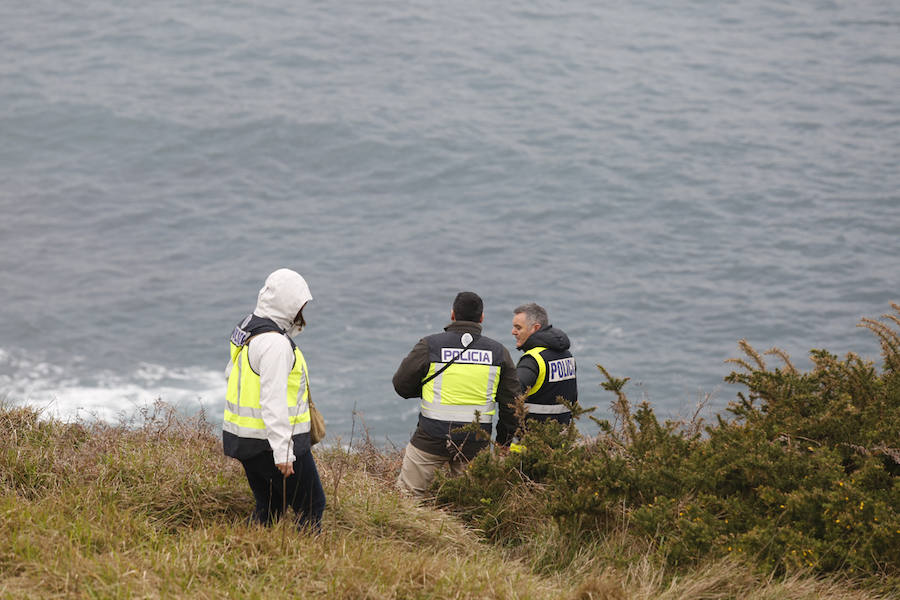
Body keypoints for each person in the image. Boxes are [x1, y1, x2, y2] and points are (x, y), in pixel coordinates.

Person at [222, 268, 326, 530]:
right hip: (271, 444)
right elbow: (273, 400)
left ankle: (248, 550)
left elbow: (231, 372)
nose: (302, 312)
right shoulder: (275, 345)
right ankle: (307, 562)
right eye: (301, 305)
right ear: (290, 305)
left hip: (244, 439)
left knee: (269, 507)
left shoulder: (247, 327)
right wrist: (283, 452)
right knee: (312, 505)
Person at [393, 291, 520, 496]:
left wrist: (427, 390)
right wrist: (503, 441)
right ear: (481, 318)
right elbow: (512, 404)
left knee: (407, 496)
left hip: (431, 435)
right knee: (471, 502)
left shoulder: (429, 345)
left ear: (453, 314)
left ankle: (412, 528)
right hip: (475, 441)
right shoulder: (499, 352)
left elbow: (401, 384)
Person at [501, 302, 577, 444]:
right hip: (563, 442)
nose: (513, 332)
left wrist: (504, 439)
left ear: (535, 328)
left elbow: (512, 399)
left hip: (532, 446)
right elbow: (573, 397)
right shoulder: (567, 356)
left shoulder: (532, 360)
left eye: (518, 327)